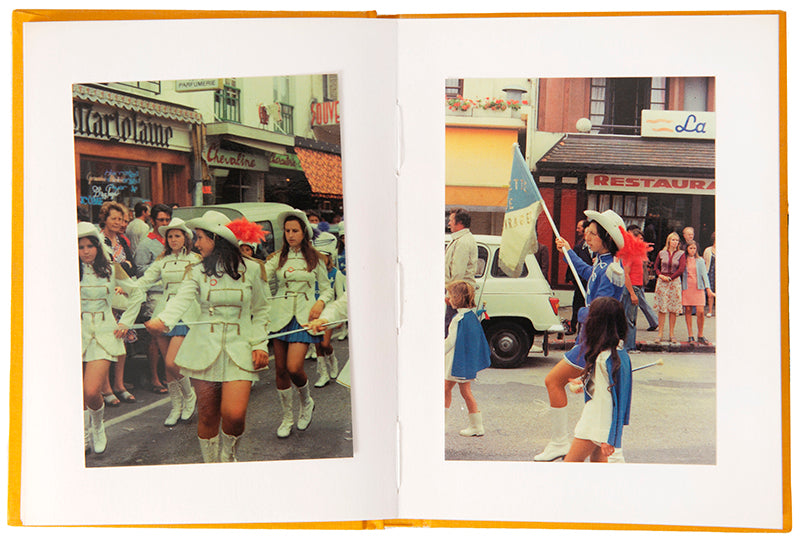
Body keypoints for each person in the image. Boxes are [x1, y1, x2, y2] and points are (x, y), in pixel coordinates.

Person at [145, 211, 270, 462]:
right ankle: (212, 467)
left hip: (240, 349)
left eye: (200, 237)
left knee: (234, 415)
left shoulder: (254, 270)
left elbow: (262, 310)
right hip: (204, 348)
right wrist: (164, 321)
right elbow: (181, 299)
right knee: (208, 415)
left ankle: (228, 456)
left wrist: (260, 344)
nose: (196, 243)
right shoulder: (196, 271)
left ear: (217, 238)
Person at [534, 209, 626, 462]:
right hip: (592, 339)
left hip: (593, 340)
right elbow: (586, 274)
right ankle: (592, 453)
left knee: (553, 381)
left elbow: (602, 311)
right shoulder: (603, 263)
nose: (588, 238)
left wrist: (582, 313)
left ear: (606, 239)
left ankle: (559, 442)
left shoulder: (612, 271)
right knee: (592, 398)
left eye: (593, 235)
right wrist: (567, 252)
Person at [264, 209, 333, 438]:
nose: (291, 235)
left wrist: (320, 303)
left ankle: (306, 401)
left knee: (294, 367)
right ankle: (287, 418)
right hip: (280, 315)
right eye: (287, 231)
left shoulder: (315, 257)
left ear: (304, 232)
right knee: (281, 370)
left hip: (305, 315)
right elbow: (260, 275)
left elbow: (327, 288)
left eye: (295, 230)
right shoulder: (277, 258)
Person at [78, 222, 144, 454]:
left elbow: (137, 292)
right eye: (80, 246)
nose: (85, 251)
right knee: (74, 394)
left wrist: (125, 321)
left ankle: (97, 426)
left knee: (91, 391)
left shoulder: (111, 268)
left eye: (89, 245)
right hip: (75, 333)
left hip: (104, 333)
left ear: (97, 246)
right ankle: (83, 436)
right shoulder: (64, 271)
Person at [135, 218, 201, 426]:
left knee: (173, 362)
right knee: (167, 363)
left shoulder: (196, 259)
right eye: (170, 236)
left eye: (177, 235)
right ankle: (176, 406)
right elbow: (145, 280)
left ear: (186, 238)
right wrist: (127, 288)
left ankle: (190, 396)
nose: (173, 239)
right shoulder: (162, 260)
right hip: (163, 310)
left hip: (186, 312)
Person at [564, 297, 632, 463]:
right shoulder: (617, 353)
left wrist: (611, 439)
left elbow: (613, 400)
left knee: (569, 466)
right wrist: (585, 381)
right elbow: (605, 388)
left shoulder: (606, 358)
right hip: (601, 423)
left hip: (597, 422)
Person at [98, 201, 138, 405]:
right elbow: (102, 268)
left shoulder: (122, 241)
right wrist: (124, 266)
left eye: (121, 219)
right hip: (104, 299)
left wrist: (124, 269)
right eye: (114, 218)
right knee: (105, 343)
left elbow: (133, 269)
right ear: (104, 218)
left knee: (121, 341)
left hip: (123, 298)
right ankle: (105, 388)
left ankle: (119, 384)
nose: (118, 222)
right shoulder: (98, 241)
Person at [133, 203, 173, 394]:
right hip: (155, 293)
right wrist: (160, 271)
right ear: (152, 220)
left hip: (172, 293)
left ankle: (168, 374)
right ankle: (155, 378)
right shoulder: (146, 242)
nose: (164, 223)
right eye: (160, 220)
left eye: (167, 219)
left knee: (171, 335)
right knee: (155, 337)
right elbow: (140, 269)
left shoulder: (172, 238)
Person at [444, 280, 491, 437]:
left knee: (445, 390)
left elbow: (450, 342)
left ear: (457, 298)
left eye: (450, 295)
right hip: (465, 363)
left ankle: (441, 424)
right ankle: (476, 426)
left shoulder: (458, 319)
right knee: (463, 392)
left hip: (455, 363)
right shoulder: (471, 316)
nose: (448, 298)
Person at [311, 231, 346, 387]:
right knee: (317, 344)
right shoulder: (312, 274)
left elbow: (340, 296)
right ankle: (323, 373)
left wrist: (338, 320)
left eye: (322, 257)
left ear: (328, 257)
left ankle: (332, 360)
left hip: (329, 312)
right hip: (315, 312)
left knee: (324, 344)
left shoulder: (336, 274)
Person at [620, 225, 654, 353]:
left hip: (637, 287)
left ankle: (629, 345)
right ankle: (629, 346)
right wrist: (632, 293)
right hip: (632, 288)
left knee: (631, 318)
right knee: (630, 319)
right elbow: (626, 275)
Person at [444, 208, 478, 336]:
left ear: (460, 223)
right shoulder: (460, 239)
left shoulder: (463, 242)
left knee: (451, 329)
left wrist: (450, 295)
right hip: (459, 293)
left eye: (451, 221)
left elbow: (458, 272)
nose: (449, 223)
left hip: (458, 294)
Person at [653, 232, 686, 343]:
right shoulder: (662, 253)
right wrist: (660, 275)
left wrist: (671, 278)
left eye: (677, 240)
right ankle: (660, 333)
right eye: (673, 240)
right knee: (662, 308)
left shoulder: (681, 254)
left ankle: (672, 334)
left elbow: (681, 269)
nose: (675, 242)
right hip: (662, 281)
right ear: (668, 241)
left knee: (673, 309)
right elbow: (656, 266)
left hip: (674, 282)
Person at [681, 240, 715, 345]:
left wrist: (708, 288)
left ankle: (700, 334)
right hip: (687, 287)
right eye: (690, 248)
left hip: (698, 287)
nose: (692, 250)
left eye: (694, 248)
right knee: (688, 310)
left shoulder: (700, 260)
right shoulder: (684, 260)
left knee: (700, 311)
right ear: (687, 249)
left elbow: (704, 275)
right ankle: (690, 335)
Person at [567, 220, 594, 334]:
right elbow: (574, 264)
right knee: (577, 305)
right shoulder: (579, 247)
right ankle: (574, 327)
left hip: (592, 283)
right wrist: (572, 278)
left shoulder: (599, 252)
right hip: (581, 282)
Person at [703, 232, 716, 317]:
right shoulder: (708, 250)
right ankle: (710, 310)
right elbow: (704, 262)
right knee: (710, 291)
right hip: (710, 272)